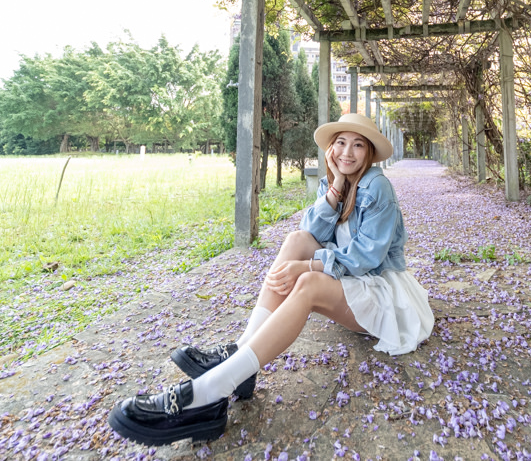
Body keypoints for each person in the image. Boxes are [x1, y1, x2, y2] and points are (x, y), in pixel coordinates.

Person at [108, 113, 435, 446]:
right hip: (353, 285)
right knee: (295, 240)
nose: (347, 153)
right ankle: (241, 358)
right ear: (331, 148)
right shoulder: (338, 180)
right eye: (340, 143)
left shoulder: (377, 187)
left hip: (383, 295)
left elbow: (366, 259)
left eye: (358, 145)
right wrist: (335, 187)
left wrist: (308, 267)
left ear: (369, 153)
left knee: (307, 284)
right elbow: (311, 233)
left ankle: (207, 395)